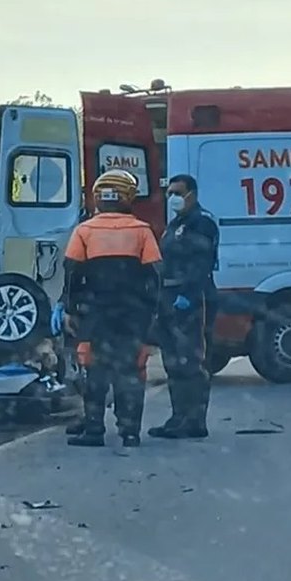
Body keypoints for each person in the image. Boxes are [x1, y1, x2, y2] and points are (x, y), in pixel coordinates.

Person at [53, 169, 162, 448]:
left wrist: (69, 310)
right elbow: (155, 276)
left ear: (97, 199)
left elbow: (72, 275)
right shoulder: (142, 231)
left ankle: (94, 430)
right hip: (133, 317)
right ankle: (130, 432)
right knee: (132, 371)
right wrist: (153, 315)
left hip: (94, 316)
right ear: (129, 198)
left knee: (95, 372)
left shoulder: (84, 231)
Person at [149, 173, 219, 439]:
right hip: (168, 297)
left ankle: (195, 421)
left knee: (192, 360)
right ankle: (178, 417)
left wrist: (188, 295)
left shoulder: (202, 223)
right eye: (170, 194)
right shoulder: (175, 224)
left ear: (192, 194)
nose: (173, 198)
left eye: (178, 193)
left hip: (193, 299)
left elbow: (202, 264)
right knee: (173, 362)